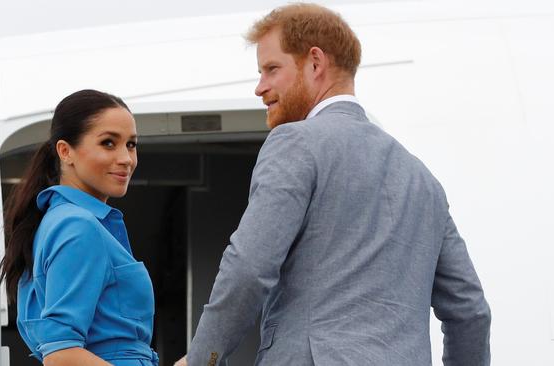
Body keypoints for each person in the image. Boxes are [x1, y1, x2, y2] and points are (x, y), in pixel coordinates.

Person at [178, 3, 490, 366]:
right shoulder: (422, 179)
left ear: (315, 62)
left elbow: (248, 268)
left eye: (271, 69)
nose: (260, 87)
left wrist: (202, 360)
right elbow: (470, 311)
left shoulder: (294, 143)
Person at [0, 89, 159, 366]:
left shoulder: (59, 221)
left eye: (131, 145)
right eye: (108, 143)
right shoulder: (77, 226)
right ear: (65, 151)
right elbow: (62, 355)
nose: (126, 158)